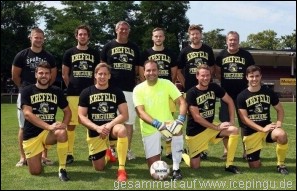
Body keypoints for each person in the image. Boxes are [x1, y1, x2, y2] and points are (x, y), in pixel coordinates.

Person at [133, 60, 187, 180]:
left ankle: (176, 169)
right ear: (144, 72)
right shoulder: (138, 89)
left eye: (154, 70)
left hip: (168, 125)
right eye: (148, 70)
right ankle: (158, 150)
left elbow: (182, 102)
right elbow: (141, 113)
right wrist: (157, 124)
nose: (151, 73)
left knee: (177, 129)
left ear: (158, 71)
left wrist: (180, 119)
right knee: (156, 172)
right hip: (150, 128)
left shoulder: (167, 83)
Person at [182, 64, 241, 174]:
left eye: (208, 75)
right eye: (203, 76)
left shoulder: (214, 87)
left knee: (234, 130)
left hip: (210, 128)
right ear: (197, 76)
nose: (205, 78)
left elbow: (230, 101)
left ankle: (229, 164)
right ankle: (183, 154)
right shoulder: (191, 93)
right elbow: (197, 118)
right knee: (194, 166)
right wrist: (217, 127)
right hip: (195, 133)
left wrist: (232, 120)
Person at [11, 27, 57, 167]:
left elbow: (53, 76)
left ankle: (44, 156)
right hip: (26, 94)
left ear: (44, 39)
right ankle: (22, 157)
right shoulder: (22, 55)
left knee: (46, 125)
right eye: (36, 37)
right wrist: (25, 90)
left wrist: (43, 89)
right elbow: (15, 76)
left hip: (44, 95)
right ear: (30, 38)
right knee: (23, 126)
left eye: (41, 37)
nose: (38, 40)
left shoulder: (49, 56)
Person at [78, 62, 129, 182]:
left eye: (105, 74)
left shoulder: (117, 91)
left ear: (109, 76)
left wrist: (109, 125)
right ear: (95, 75)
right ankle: (107, 154)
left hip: (111, 128)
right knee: (99, 168)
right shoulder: (86, 92)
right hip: (95, 131)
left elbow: (124, 114)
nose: (102, 76)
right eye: (100, 74)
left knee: (122, 130)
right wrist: (97, 128)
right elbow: (81, 116)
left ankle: (121, 170)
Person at [21, 61, 71, 181]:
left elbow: (67, 111)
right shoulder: (27, 90)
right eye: (41, 73)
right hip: (32, 134)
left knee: (62, 132)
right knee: (36, 172)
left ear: (50, 75)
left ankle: (62, 169)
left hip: (48, 134)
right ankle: (36, 157)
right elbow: (27, 114)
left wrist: (64, 124)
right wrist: (48, 127)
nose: (44, 76)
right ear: (36, 74)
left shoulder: (56, 91)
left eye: (47, 73)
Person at [237, 65, 289, 175]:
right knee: (254, 166)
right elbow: (244, 119)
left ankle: (281, 164)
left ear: (261, 77)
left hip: (267, 129)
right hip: (251, 132)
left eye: (257, 76)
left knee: (281, 135)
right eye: (251, 76)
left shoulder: (268, 92)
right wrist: (262, 129)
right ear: (247, 77)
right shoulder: (242, 96)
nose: (254, 79)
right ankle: (255, 158)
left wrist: (278, 124)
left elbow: (280, 110)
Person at [100, 21, 141, 160]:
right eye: (121, 29)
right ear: (116, 30)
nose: (123, 31)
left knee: (128, 121)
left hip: (129, 89)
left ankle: (127, 150)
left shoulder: (134, 47)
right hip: (111, 89)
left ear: (129, 31)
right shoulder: (108, 46)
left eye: (126, 29)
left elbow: (137, 68)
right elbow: (102, 67)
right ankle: (110, 150)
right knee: (109, 118)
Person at [62, 24, 100, 164]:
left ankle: (93, 152)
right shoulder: (69, 53)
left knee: (91, 123)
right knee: (71, 124)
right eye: (80, 34)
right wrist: (72, 87)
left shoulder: (95, 53)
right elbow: (65, 74)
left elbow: (97, 74)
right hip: (73, 94)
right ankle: (69, 153)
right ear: (76, 36)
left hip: (90, 94)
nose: (82, 36)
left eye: (85, 34)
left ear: (88, 37)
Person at [177, 24, 215, 159]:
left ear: (201, 35)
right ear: (189, 35)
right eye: (192, 34)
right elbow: (178, 70)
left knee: (206, 115)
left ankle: (202, 147)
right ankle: (191, 146)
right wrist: (185, 84)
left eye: (197, 33)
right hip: (190, 91)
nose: (195, 36)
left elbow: (212, 68)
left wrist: (207, 82)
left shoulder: (208, 50)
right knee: (191, 118)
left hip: (205, 89)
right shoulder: (185, 51)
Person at [215, 31, 255, 160]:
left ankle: (247, 151)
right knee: (226, 124)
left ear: (238, 41)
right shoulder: (221, 55)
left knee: (246, 123)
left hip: (243, 96)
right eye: (230, 40)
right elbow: (217, 73)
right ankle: (226, 151)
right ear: (226, 41)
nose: (232, 42)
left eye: (235, 40)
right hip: (226, 95)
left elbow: (252, 72)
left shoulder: (246, 55)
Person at [139, 27, 178, 159]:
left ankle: (169, 149)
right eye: (156, 36)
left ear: (164, 38)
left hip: (165, 89)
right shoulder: (146, 53)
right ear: (152, 38)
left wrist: (169, 87)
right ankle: (157, 146)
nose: (158, 38)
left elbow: (174, 73)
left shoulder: (171, 53)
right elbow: (141, 71)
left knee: (169, 118)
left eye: (160, 36)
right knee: (151, 113)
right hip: (150, 89)